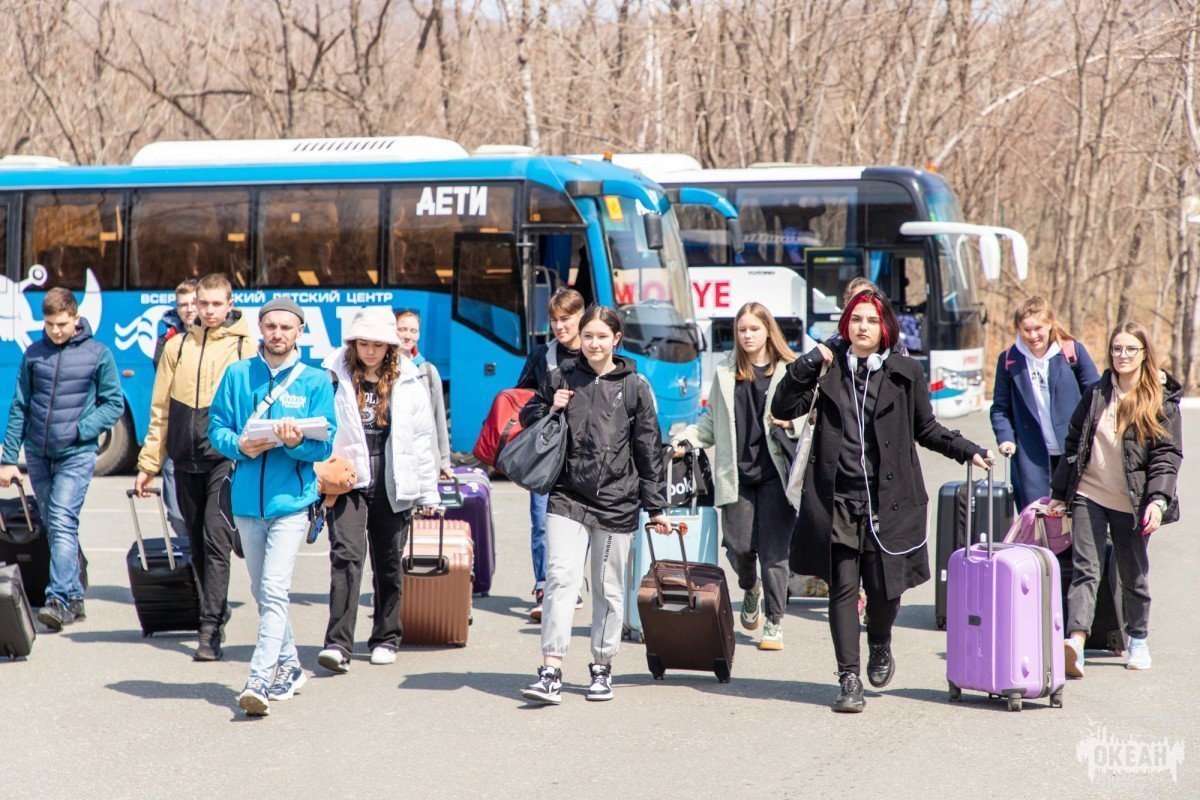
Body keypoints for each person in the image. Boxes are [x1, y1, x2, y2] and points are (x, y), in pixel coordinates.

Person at [771, 289, 992, 713]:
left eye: (871, 320)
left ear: (884, 327)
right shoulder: (827, 369)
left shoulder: (905, 372)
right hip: (838, 498)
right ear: (845, 326)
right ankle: (848, 679)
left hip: (889, 501)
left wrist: (966, 449)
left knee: (884, 591)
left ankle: (880, 640)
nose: (863, 327)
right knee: (842, 588)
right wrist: (809, 361)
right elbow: (783, 406)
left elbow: (926, 429)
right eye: (856, 319)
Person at [517, 305, 669, 705]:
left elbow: (649, 449)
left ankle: (602, 667)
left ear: (616, 339)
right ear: (580, 338)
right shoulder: (561, 376)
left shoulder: (635, 386)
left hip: (618, 502)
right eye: (588, 336)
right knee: (561, 578)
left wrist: (656, 507)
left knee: (607, 588)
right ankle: (551, 669)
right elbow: (527, 414)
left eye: (602, 337)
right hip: (567, 495)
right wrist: (551, 406)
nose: (594, 343)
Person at [208, 296, 336, 717]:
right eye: (270, 326)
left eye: (286, 327)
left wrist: (296, 444)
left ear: (300, 331)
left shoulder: (314, 381)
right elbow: (217, 429)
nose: (277, 334)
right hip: (246, 503)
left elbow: (325, 445)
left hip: (291, 503)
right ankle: (291, 667)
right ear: (260, 329)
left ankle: (258, 680)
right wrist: (239, 445)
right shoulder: (238, 374)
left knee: (275, 589)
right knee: (262, 592)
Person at [1048, 322, 1182, 677]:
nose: (1122, 355)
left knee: (1132, 575)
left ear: (1144, 353)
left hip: (1133, 504)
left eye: (1130, 349)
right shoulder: (1097, 392)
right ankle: (1076, 643)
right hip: (1089, 494)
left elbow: (1167, 456)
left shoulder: (1159, 400)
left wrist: (1158, 500)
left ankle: (1138, 639)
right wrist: (1059, 494)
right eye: (1116, 348)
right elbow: (1075, 442)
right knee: (1085, 570)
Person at [134, 273, 252, 661]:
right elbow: (160, 410)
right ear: (194, 305)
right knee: (196, 542)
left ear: (230, 304)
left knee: (215, 539)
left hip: (224, 458)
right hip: (185, 458)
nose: (210, 311)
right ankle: (214, 608)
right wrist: (149, 463)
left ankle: (210, 628)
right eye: (204, 304)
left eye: (217, 304)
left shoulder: (244, 346)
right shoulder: (177, 347)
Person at [317, 307, 441, 673]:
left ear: (390, 346)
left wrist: (428, 493)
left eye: (378, 345)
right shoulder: (333, 375)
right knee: (346, 557)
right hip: (348, 481)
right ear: (353, 344)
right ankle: (338, 644)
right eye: (364, 344)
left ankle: (386, 637)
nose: (370, 351)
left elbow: (422, 440)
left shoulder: (410, 379)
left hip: (393, 480)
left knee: (388, 563)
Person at [671, 302, 799, 650]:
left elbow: (811, 416)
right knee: (740, 548)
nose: (747, 335)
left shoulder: (789, 370)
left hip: (777, 475)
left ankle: (774, 621)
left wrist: (792, 422)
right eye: (742, 330)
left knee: (775, 552)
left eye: (754, 329)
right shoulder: (727, 371)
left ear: (768, 331)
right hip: (737, 474)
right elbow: (711, 422)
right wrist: (687, 439)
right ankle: (750, 587)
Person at [0, 288, 124, 630]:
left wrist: (82, 429)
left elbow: (113, 403)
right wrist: (8, 459)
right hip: (38, 454)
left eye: (62, 324)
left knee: (61, 518)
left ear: (76, 318)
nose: (56, 330)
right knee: (55, 524)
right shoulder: (33, 354)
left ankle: (59, 599)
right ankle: (75, 597)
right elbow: (20, 406)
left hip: (77, 453)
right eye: (50, 324)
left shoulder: (98, 354)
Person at [514, 286, 585, 621]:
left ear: (582, 317)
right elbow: (522, 404)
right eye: (555, 319)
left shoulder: (596, 353)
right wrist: (548, 406)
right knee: (542, 522)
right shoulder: (542, 355)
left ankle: (571, 582)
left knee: (581, 524)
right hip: (546, 455)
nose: (559, 326)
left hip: (584, 456)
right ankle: (544, 586)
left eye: (566, 318)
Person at [991, 296, 1101, 510]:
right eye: (1026, 330)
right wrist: (1005, 438)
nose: (1033, 336)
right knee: (1036, 516)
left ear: (1050, 323)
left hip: (1073, 449)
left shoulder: (1072, 351)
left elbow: (1097, 395)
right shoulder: (1009, 360)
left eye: (1038, 328)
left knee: (1076, 514)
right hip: (1030, 456)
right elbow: (999, 408)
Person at [154, 279, 199, 543]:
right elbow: (164, 389)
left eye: (194, 302)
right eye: (183, 304)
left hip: (207, 434)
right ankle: (190, 549)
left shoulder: (220, 340)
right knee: (176, 512)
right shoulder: (167, 341)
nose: (189, 309)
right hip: (177, 432)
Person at [394, 309, 452, 479]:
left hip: (424, 460)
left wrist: (444, 462)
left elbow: (438, 417)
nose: (408, 336)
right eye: (402, 329)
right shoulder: (383, 371)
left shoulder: (428, 371)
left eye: (413, 331)